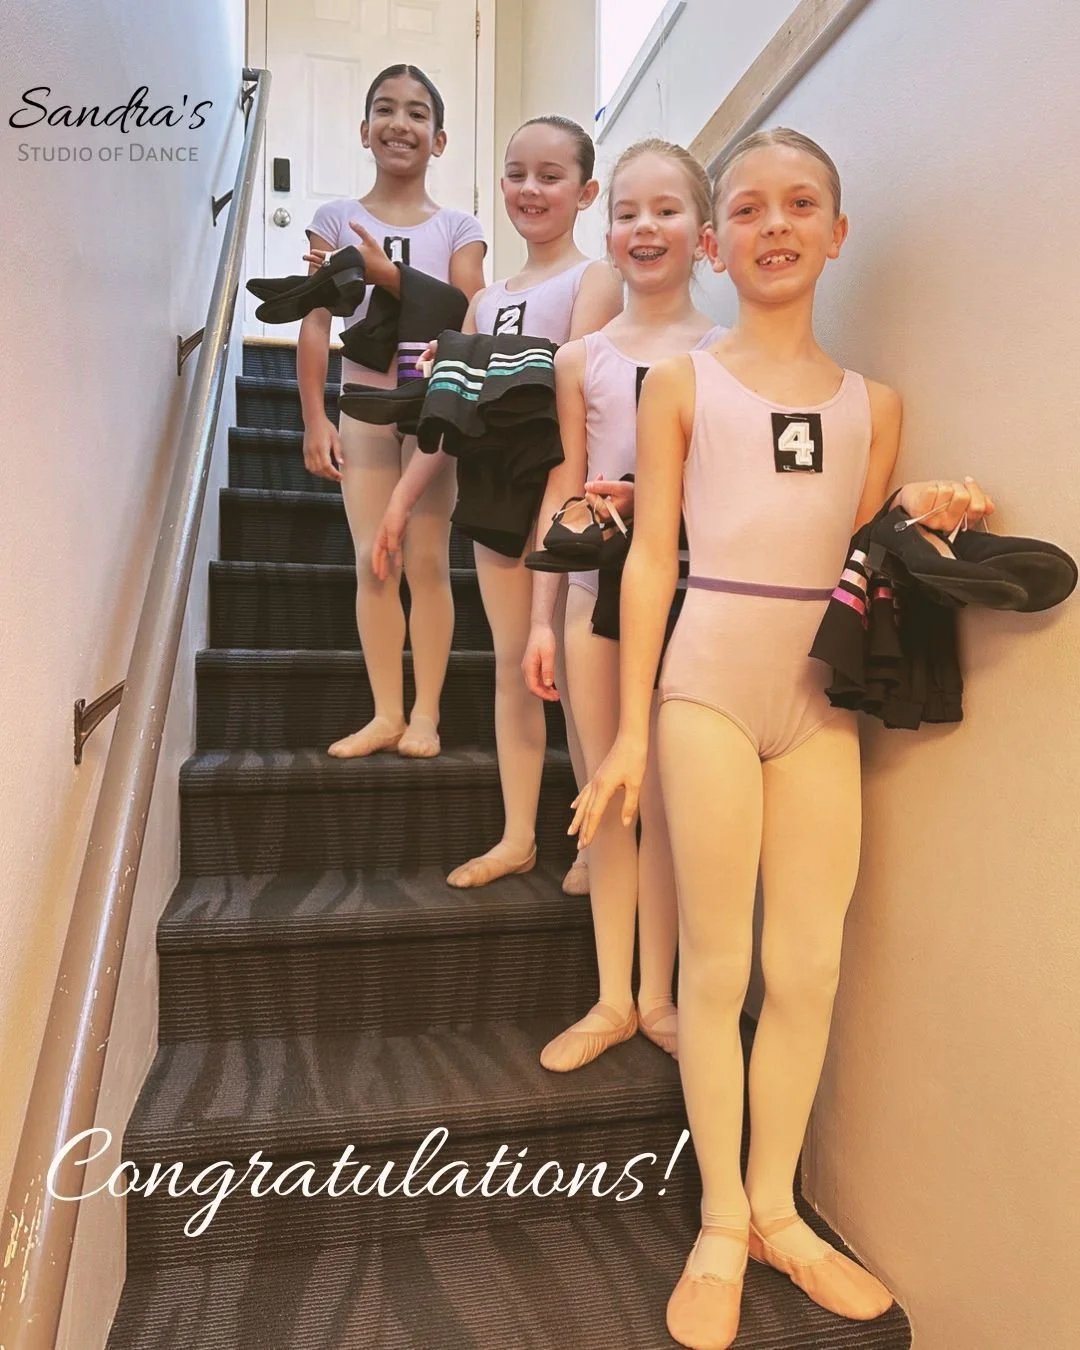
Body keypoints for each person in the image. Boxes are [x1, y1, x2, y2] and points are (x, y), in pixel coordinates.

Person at [568, 128, 994, 1350]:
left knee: (805, 968)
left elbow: (856, 554)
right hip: (706, 684)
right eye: (749, 209)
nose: (775, 226)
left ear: (837, 232)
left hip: (818, 704)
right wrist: (630, 734)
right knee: (717, 967)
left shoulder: (876, 406)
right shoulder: (679, 384)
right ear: (716, 243)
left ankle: (778, 1214)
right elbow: (652, 559)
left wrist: (922, 509)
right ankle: (719, 1221)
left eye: (801, 204)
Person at [372, 115, 624, 891]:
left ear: (585, 191)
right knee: (516, 667)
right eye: (517, 174)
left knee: (575, 672)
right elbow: (450, 413)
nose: (530, 189)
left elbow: (564, 388)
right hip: (492, 493)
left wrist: (471, 361)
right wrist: (400, 501)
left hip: (565, 495)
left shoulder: (595, 278)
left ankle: (597, 845)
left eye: (551, 176)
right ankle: (518, 836)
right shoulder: (481, 302)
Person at [522, 140, 725, 1072]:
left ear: (703, 233)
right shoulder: (580, 359)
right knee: (605, 799)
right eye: (628, 213)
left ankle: (661, 998)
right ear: (608, 231)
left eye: (667, 211)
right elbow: (563, 486)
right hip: (591, 599)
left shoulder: (724, 356)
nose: (645, 228)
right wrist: (540, 619)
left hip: (693, 599)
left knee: (673, 805)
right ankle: (611, 997)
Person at [298, 64, 487, 760]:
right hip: (364, 408)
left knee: (428, 560)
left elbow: (467, 312)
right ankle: (385, 712)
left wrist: (392, 277)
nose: (399, 123)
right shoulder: (333, 220)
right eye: (385, 109)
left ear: (439, 139)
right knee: (371, 559)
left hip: (433, 412)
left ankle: (426, 715)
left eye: (416, 112)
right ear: (363, 129)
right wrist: (314, 417)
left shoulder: (461, 226)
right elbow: (316, 321)